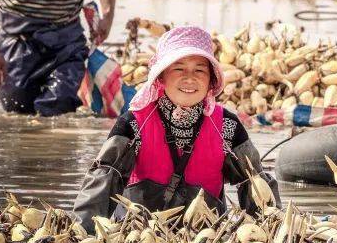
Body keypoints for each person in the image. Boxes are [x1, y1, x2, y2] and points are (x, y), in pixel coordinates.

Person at [72, 25, 279, 228]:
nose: (190, 78)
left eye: (199, 70)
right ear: (161, 76)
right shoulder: (134, 122)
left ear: (211, 79)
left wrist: (271, 233)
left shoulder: (227, 125)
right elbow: (101, 181)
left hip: (205, 241)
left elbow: (256, 185)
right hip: (136, 237)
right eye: (178, 68)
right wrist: (83, 235)